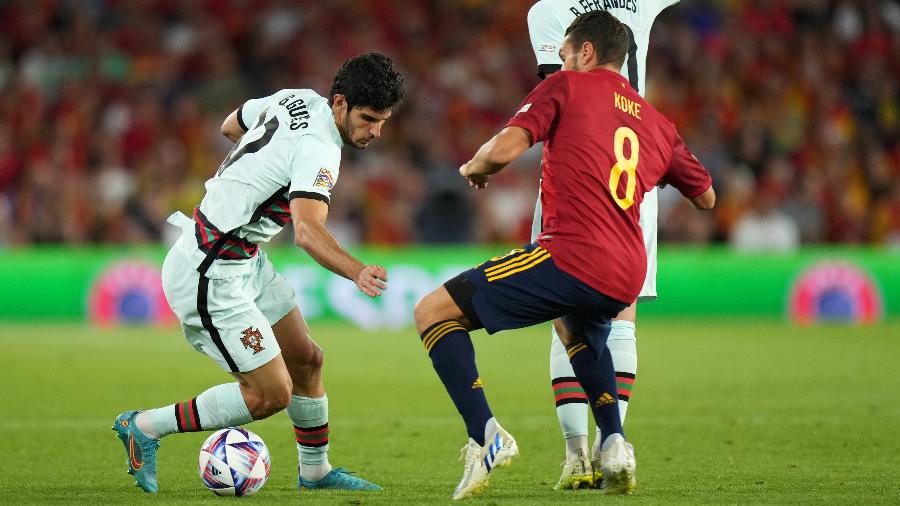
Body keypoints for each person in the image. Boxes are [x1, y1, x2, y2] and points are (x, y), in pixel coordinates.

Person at [413, 11, 714, 500]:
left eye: (565, 55)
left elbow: (505, 148)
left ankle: (485, 434)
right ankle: (614, 443)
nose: (560, 63)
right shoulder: (658, 123)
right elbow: (706, 198)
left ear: (585, 52)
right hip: (627, 268)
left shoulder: (567, 88)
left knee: (433, 312)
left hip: (574, 254)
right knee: (577, 328)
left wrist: (476, 165)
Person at [111, 52, 405, 494]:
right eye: (368, 119)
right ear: (340, 103)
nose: (376, 132)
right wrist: (357, 271)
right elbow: (307, 231)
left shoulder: (296, 97)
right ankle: (145, 426)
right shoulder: (321, 149)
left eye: (383, 121)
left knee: (307, 359)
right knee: (270, 394)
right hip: (209, 271)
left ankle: (315, 472)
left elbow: (232, 124)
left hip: (244, 256)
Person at [527, 0, 683, 489]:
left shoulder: (547, 11)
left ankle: (576, 455)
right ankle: (612, 445)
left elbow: (561, 94)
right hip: (635, 171)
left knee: (564, 310)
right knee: (622, 313)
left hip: (575, 172)